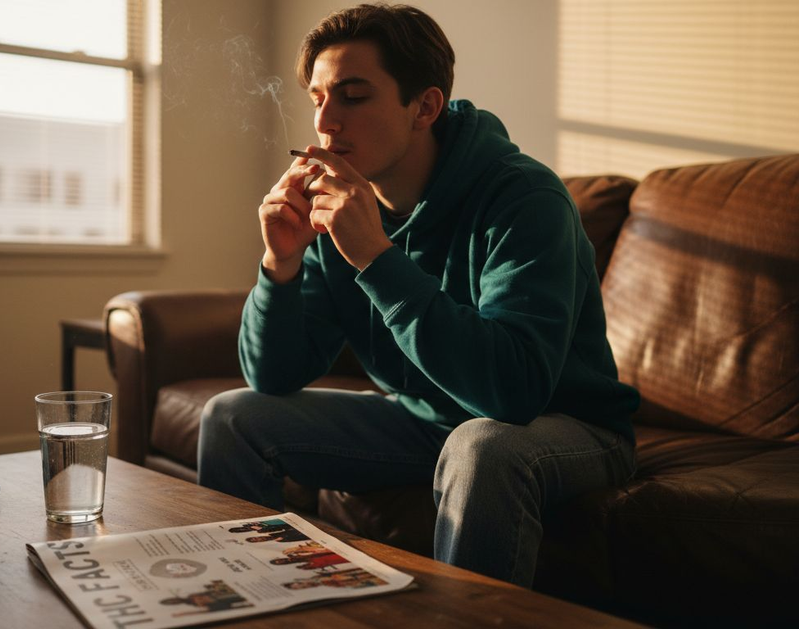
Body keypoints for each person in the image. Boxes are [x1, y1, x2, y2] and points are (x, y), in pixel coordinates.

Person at [196, 2, 640, 588]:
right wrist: (280, 262)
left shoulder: (525, 197)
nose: (326, 124)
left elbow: (513, 393)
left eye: (353, 96)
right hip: (428, 420)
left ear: (424, 107)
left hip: (564, 425)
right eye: (319, 100)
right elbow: (274, 376)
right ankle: (246, 604)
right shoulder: (340, 205)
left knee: (481, 446)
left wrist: (377, 260)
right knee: (233, 417)